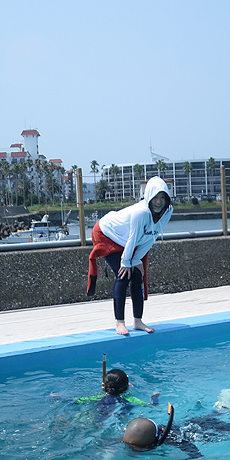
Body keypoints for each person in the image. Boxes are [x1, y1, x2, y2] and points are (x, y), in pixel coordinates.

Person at [87, 176, 173, 335]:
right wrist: (127, 262)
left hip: (126, 239)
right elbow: (133, 239)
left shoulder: (167, 211)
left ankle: (138, 321)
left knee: (137, 275)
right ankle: (119, 322)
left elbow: (150, 238)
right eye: (155, 198)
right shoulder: (140, 213)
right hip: (106, 233)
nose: (159, 202)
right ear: (148, 197)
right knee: (124, 275)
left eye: (163, 198)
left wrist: (136, 259)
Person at [123, 404, 230, 459]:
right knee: (210, 417)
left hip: (209, 429)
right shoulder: (148, 431)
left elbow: (193, 451)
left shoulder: (171, 438)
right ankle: (220, 409)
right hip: (194, 422)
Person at [76, 369, 160, 422]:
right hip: (107, 422)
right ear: (127, 388)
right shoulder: (130, 399)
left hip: (85, 419)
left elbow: (77, 401)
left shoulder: (97, 397)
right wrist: (154, 397)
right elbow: (153, 406)